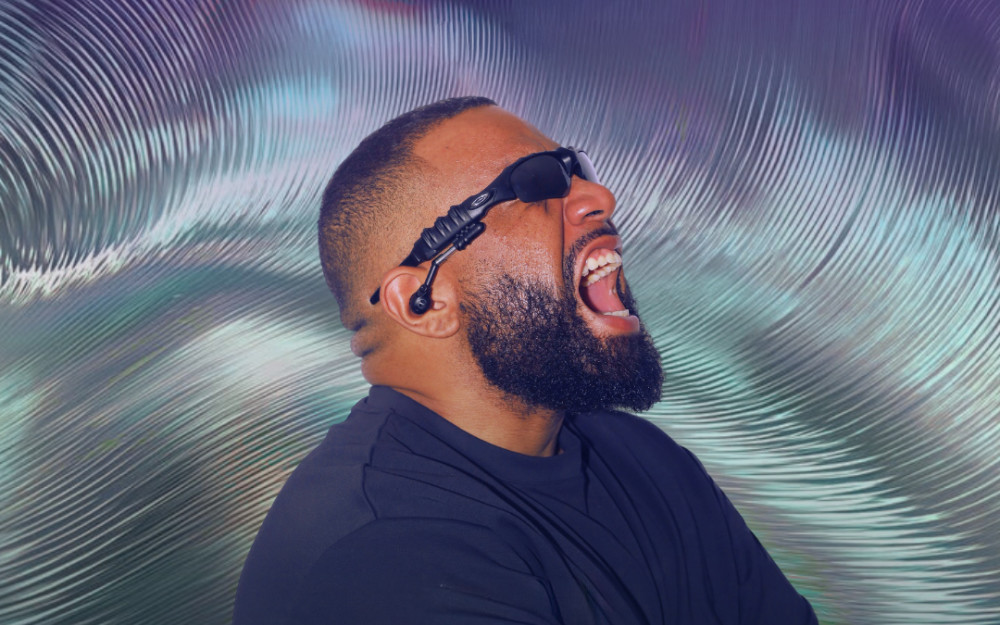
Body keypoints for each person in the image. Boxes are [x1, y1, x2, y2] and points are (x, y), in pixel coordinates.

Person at [233, 97, 818, 625]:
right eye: (536, 184)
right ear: (423, 303)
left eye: (577, 169)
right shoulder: (380, 554)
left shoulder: (645, 460)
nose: (600, 198)